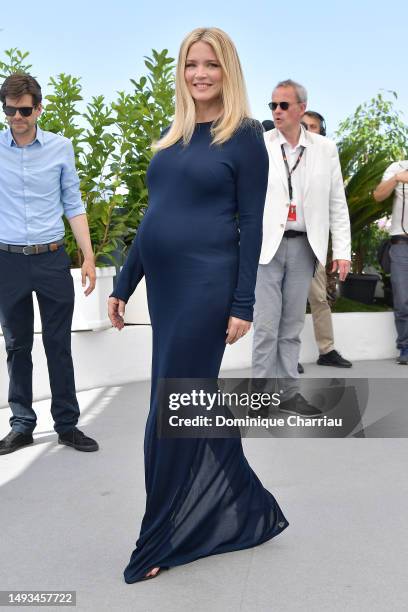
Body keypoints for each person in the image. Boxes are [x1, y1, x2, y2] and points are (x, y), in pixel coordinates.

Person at [108, 27, 288, 583]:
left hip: (207, 288)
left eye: (210, 64)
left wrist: (243, 304)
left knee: (171, 409)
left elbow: (251, 223)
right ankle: (249, 508)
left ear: (227, 70)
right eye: (191, 64)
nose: (200, 74)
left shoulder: (245, 138)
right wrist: (123, 282)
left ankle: (157, 536)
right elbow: (152, 218)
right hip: (165, 287)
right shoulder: (174, 135)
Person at [0, 74, 99, 455]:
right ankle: (22, 424)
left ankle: (67, 425)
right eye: (10, 110)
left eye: (24, 110)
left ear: (38, 108)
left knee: (58, 345)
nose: (17, 117)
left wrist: (88, 255)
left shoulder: (61, 148)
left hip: (52, 259)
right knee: (16, 345)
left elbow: (73, 204)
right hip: (8, 262)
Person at [252, 80, 351, 416]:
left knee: (292, 325)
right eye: (272, 106)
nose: (276, 111)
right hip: (267, 246)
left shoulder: (326, 149)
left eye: (283, 105)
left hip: (305, 247)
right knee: (265, 326)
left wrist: (342, 251)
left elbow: (337, 202)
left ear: (301, 109)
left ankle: (289, 394)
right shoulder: (260, 144)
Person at [301, 111, 352, 370]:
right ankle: (285, 355)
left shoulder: (326, 163)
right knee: (287, 302)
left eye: (313, 127)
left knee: (319, 298)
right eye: (303, 125)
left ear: (321, 133)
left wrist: (341, 250)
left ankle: (327, 350)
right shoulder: (278, 154)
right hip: (279, 245)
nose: (307, 130)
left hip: (313, 246)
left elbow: (338, 207)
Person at [373, 160, 408, 364]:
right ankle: (405, 346)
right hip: (401, 243)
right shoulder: (397, 167)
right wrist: (397, 179)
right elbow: (378, 196)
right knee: (403, 298)